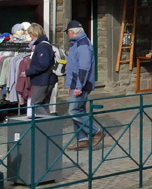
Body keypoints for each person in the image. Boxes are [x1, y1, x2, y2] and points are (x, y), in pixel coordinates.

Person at [64, 20, 103, 150]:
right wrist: (70, 84)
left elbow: (83, 68)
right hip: (76, 84)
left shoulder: (83, 45)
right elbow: (73, 67)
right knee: (79, 111)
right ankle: (82, 139)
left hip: (81, 85)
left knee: (74, 111)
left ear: (72, 32)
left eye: (67, 32)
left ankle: (96, 131)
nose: (67, 35)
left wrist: (79, 87)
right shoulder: (76, 44)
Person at [24, 23, 58, 111]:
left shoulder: (41, 46)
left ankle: (50, 124)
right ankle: (46, 124)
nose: (30, 37)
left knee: (35, 104)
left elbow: (43, 64)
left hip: (43, 80)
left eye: (30, 34)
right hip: (49, 79)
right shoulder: (46, 44)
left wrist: (28, 72)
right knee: (44, 104)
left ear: (34, 34)